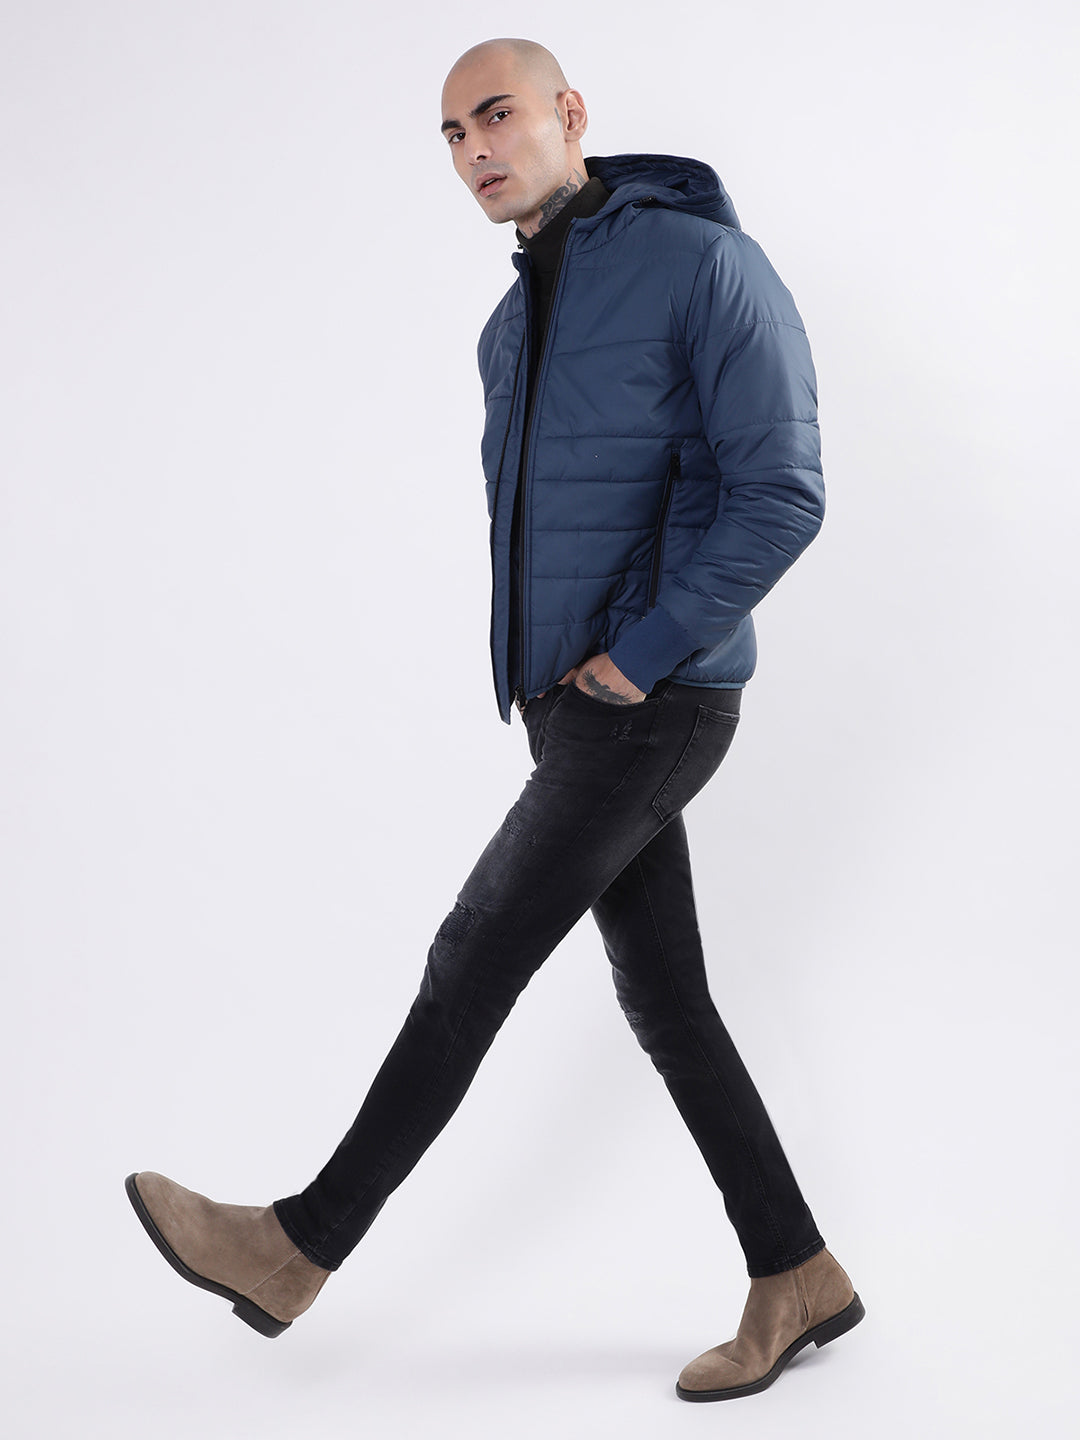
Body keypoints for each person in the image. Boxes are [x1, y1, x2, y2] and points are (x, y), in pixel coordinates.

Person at [125, 37, 864, 1402]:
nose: (474, 149)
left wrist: (640, 655)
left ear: (571, 115)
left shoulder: (705, 265)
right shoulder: (509, 326)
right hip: (574, 709)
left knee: (471, 959)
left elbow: (783, 493)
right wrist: (551, 682)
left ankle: (296, 1247)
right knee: (668, 1000)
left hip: (657, 700)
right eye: (453, 133)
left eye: (498, 115)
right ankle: (797, 1272)